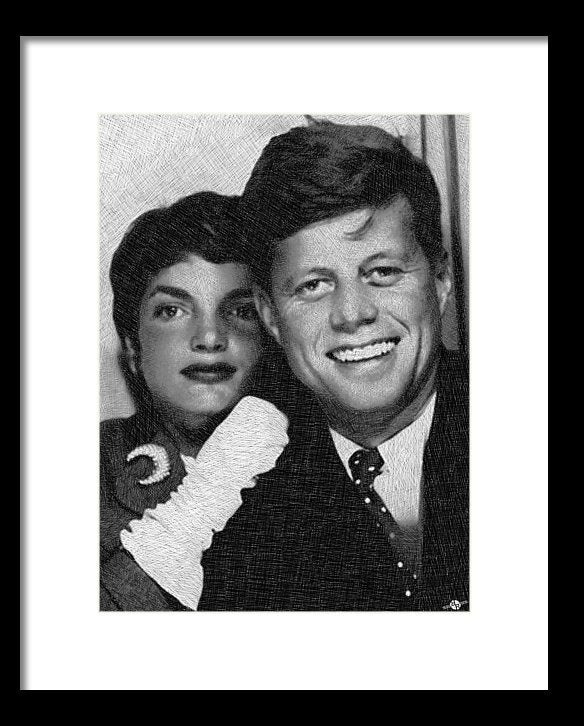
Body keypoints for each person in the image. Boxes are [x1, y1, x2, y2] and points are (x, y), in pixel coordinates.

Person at [194, 120, 469, 611]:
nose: (351, 314)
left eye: (382, 272)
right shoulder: (242, 511)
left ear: (441, 280)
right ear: (270, 316)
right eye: (313, 285)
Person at [100, 191, 292, 611]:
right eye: (171, 311)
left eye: (241, 311)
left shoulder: (324, 463)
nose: (210, 337)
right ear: (132, 347)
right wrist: (210, 492)